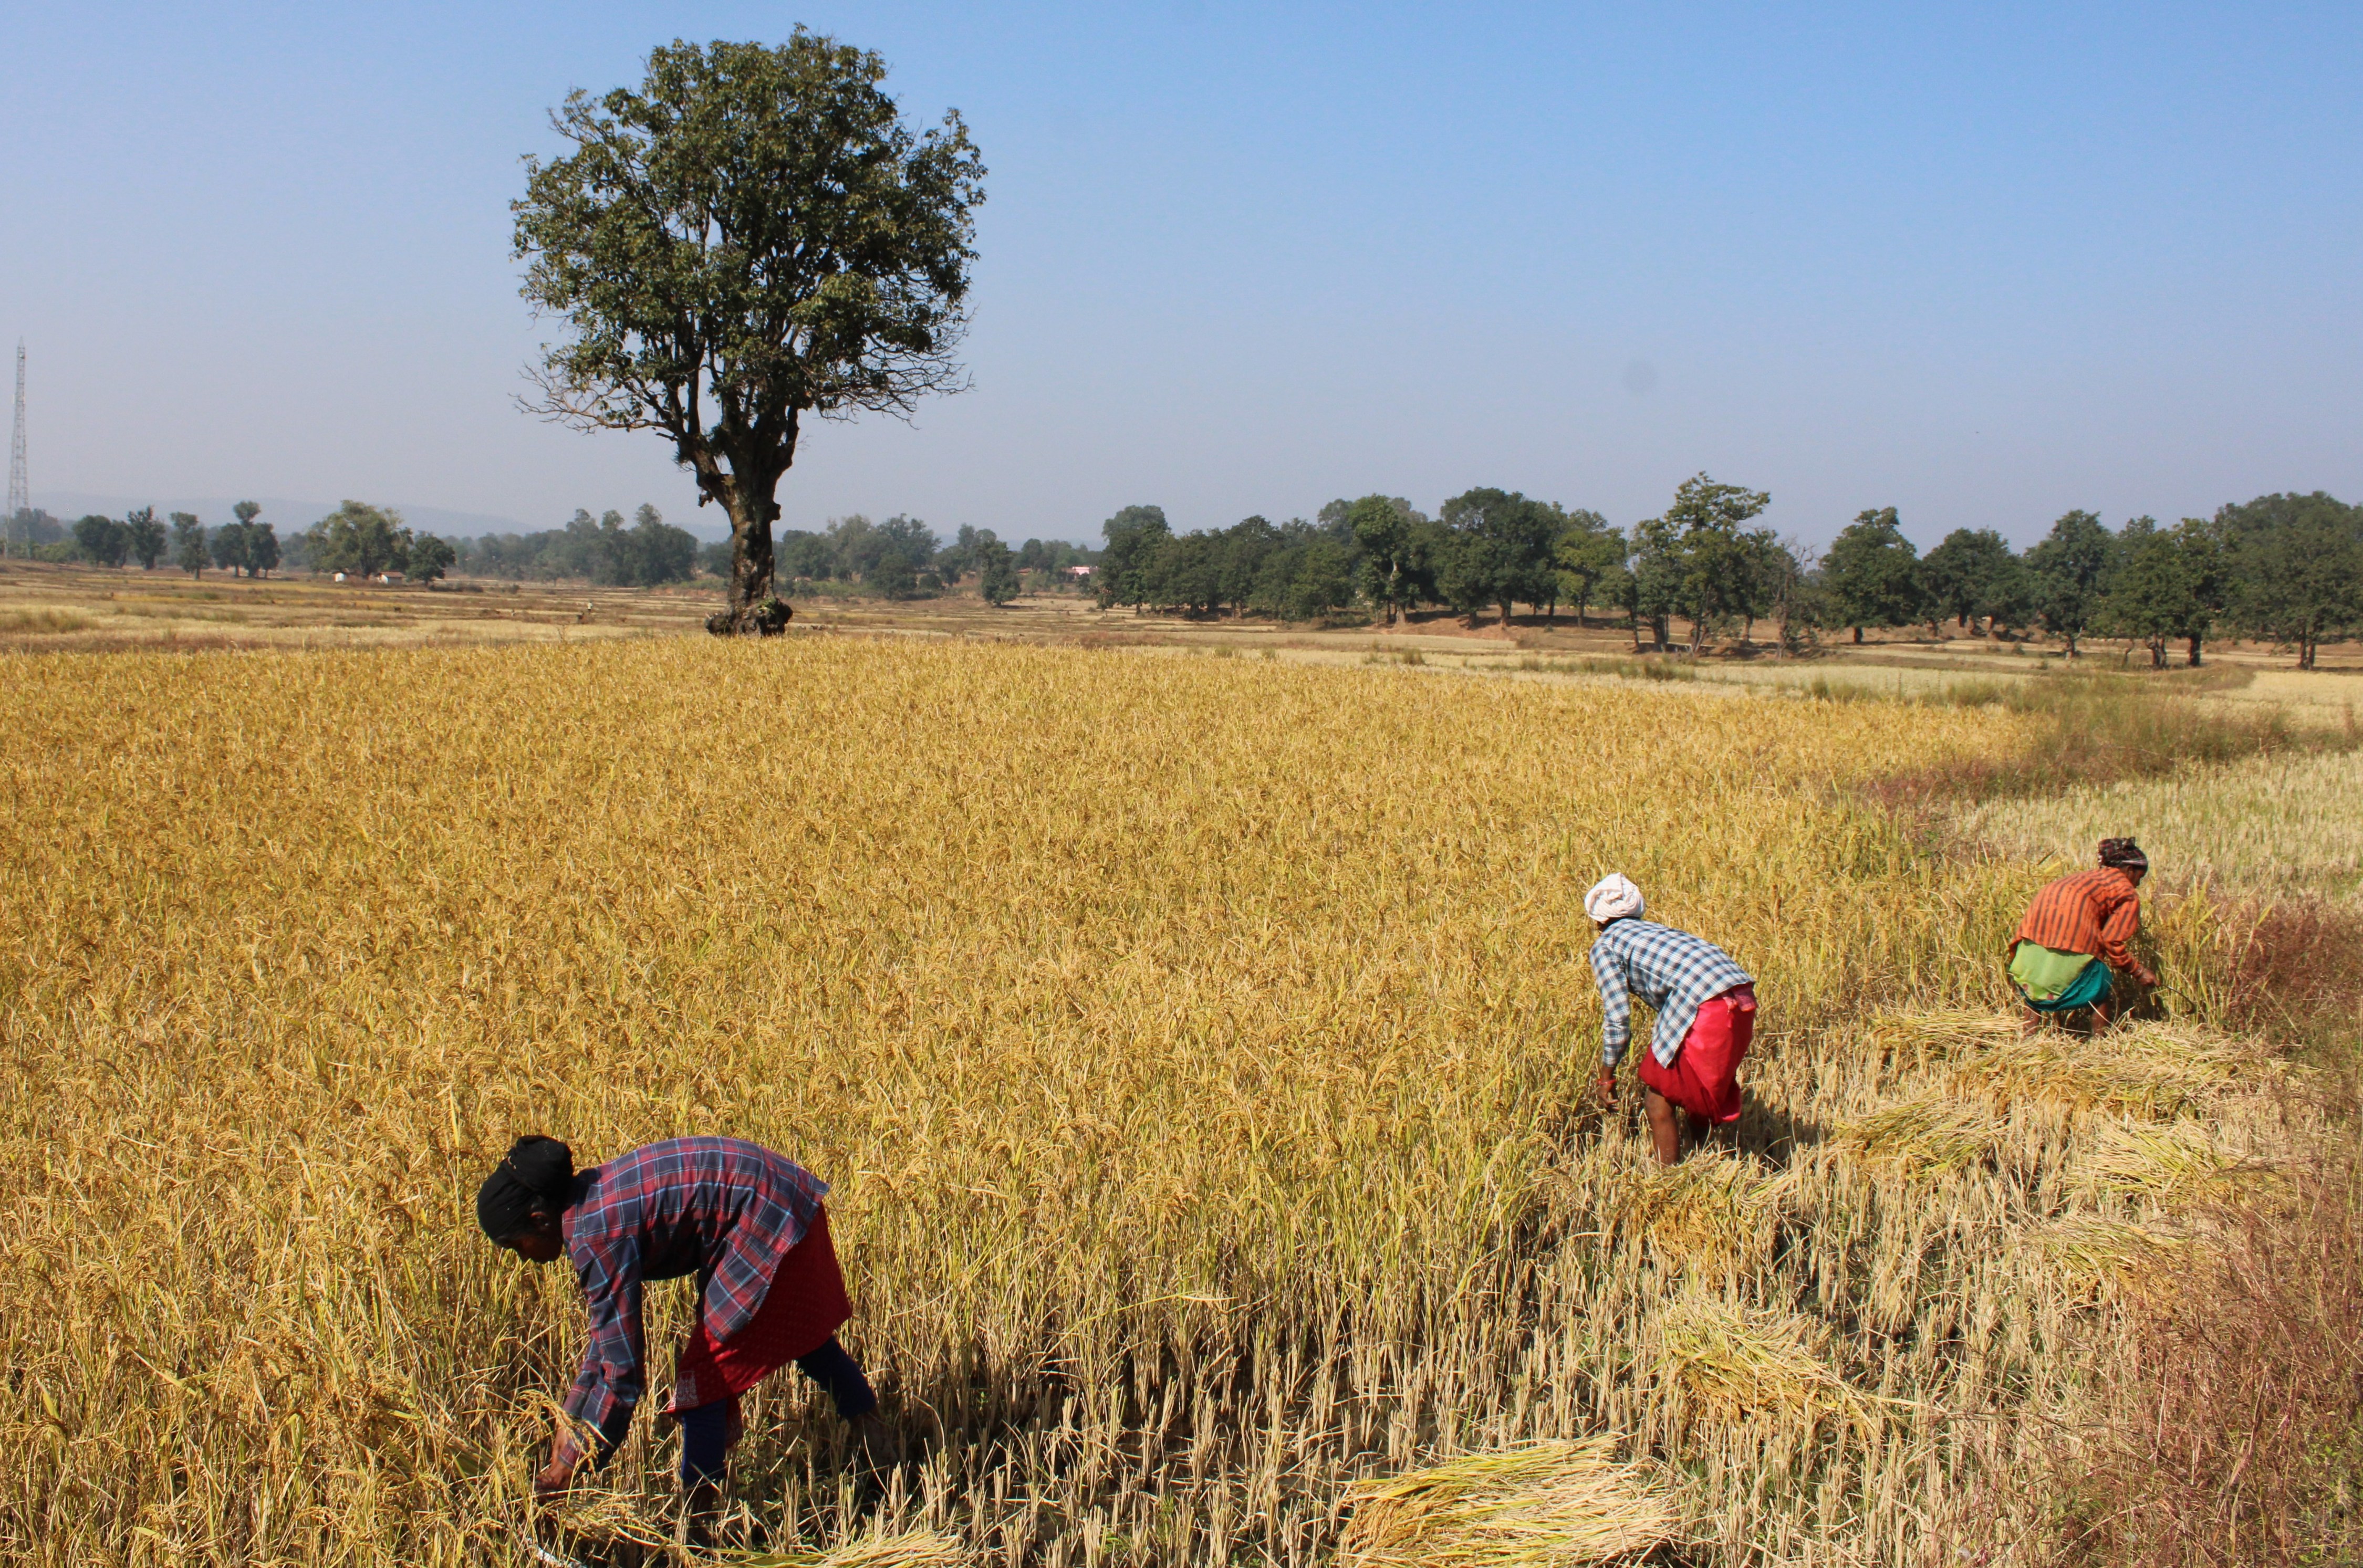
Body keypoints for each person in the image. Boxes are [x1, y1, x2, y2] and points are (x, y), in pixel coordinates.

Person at [477, 1134, 895, 1543]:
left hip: (765, 1213)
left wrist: (574, 1467)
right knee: (803, 1340)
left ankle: (700, 1528)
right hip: (776, 1195)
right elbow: (602, 1350)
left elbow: (622, 1376)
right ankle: (880, 1452)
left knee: (705, 1377)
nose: (523, 1259)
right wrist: (567, 1430)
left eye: (517, 1247)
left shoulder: (597, 1235)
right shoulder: (587, 1208)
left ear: (539, 1220)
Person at [1584, 873, 1757, 1166]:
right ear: (1637, 910)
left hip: (1703, 1004)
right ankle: (1704, 1160)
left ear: (1597, 921)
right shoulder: (1657, 932)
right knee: (1694, 1087)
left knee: (1658, 1100)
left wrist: (1606, 1076)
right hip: (1741, 999)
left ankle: (1669, 1182)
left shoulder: (1606, 947)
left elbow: (1617, 1017)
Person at [2008, 837, 2156, 1032]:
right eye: (2139, 878)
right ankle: (2099, 1043)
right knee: (2100, 986)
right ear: (2129, 871)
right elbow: (2112, 941)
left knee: (2036, 984)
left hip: (2030, 942)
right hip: (2072, 941)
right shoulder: (2126, 892)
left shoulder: (2084, 878)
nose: (2138, 884)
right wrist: (2138, 972)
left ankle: (2029, 1034)